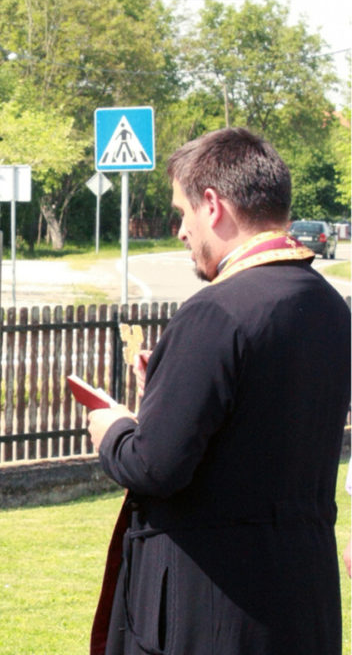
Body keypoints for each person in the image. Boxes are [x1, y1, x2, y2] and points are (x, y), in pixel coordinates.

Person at [87, 127, 351, 654]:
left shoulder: (217, 309)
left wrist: (111, 426)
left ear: (213, 205)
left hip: (213, 607)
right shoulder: (331, 305)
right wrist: (167, 385)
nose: (180, 231)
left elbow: (154, 466)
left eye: (181, 212)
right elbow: (257, 422)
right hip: (300, 600)